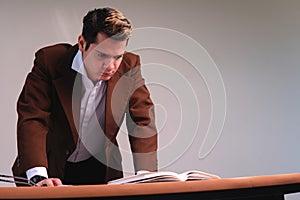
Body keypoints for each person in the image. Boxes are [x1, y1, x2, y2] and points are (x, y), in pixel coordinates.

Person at [12, 7, 158, 186]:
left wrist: (146, 177)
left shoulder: (129, 67)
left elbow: (142, 121)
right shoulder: (49, 61)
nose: (111, 66)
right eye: (102, 55)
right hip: (51, 167)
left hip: (101, 171)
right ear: (82, 43)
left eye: (117, 57)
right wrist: (38, 175)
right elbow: (33, 117)